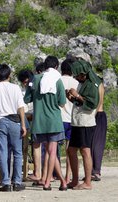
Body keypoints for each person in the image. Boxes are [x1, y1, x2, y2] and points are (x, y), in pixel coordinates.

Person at [24, 55, 67, 191]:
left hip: (39, 121)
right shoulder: (58, 81)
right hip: (54, 121)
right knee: (52, 152)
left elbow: (27, 99)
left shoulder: (35, 80)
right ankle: (48, 181)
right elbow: (62, 102)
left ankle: (61, 182)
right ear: (56, 67)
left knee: (48, 152)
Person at [0, 64, 27, 192]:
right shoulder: (15, 88)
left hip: (0, 120)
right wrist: (23, 124)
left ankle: (5, 182)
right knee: (17, 152)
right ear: (9, 75)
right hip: (15, 120)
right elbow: (20, 107)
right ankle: (17, 181)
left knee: (2, 152)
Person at [67, 60, 100, 190]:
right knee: (71, 150)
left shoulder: (91, 85)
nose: (75, 77)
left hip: (86, 122)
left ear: (83, 73)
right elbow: (81, 101)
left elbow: (92, 104)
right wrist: (72, 98)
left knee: (85, 151)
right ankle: (75, 180)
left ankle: (87, 182)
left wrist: (77, 95)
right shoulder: (83, 83)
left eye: (77, 75)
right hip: (77, 121)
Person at [60, 58, 79, 183]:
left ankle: (53, 175)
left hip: (59, 118)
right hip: (71, 118)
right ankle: (68, 176)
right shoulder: (76, 82)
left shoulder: (58, 81)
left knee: (53, 148)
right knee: (70, 150)